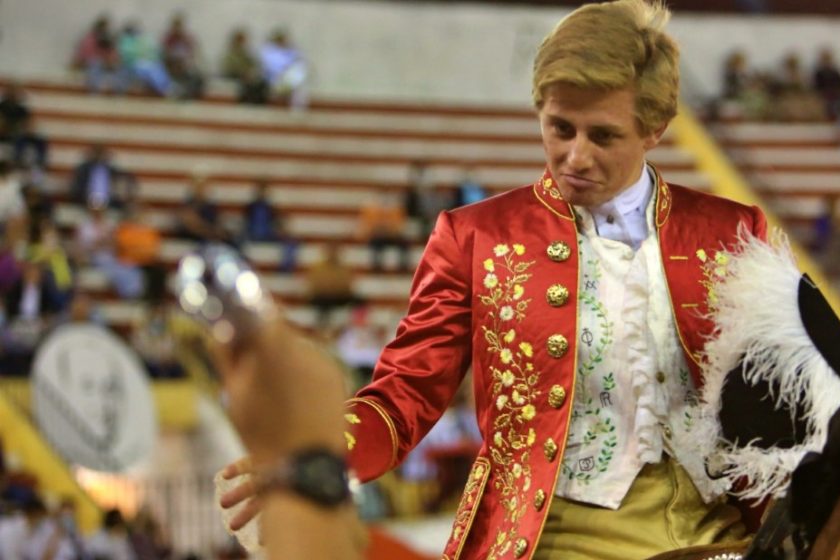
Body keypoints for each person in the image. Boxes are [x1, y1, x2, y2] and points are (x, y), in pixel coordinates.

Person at [221, 2, 774, 558]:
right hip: (549, 540)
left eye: (603, 136)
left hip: (719, 537)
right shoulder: (475, 237)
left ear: (654, 129)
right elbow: (403, 395)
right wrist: (309, 460)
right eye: (560, 128)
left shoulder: (732, 232)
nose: (574, 156)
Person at [242, 180, 298, 272]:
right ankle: (244, 268)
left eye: (264, 190)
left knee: (291, 241)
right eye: (261, 190)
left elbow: (277, 223)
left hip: (268, 235)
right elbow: (245, 223)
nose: (262, 193)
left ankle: (285, 268)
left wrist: (281, 230)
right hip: (251, 235)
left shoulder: (271, 208)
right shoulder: (250, 207)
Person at [0, 82, 50, 172]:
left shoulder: (22, 110)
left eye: (16, 92)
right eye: (12, 91)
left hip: (16, 137)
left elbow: (26, 124)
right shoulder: (2, 107)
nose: (13, 94)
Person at [69, 144, 137, 209]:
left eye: (101, 153)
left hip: (110, 204)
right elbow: (75, 188)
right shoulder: (82, 170)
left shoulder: (113, 170)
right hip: (85, 204)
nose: (99, 156)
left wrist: (124, 197)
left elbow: (128, 182)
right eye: (96, 153)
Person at [72, 15, 125, 94]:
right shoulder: (90, 37)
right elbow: (86, 54)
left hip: (107, 63)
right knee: (95, 65)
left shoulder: (109, 39)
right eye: (103, 27)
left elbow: (114, 53)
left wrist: (111, 61)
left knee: (120, 70)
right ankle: (94, 91)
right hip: (93, 62)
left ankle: (118, 93)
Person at [259, 29, 309, 111]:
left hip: (288, 79)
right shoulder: (269, 52)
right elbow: (271, 68)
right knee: (294, 79)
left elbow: (299, 61)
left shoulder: (289, 51)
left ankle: (297, 109)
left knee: (299, 74)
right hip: (274, 80)